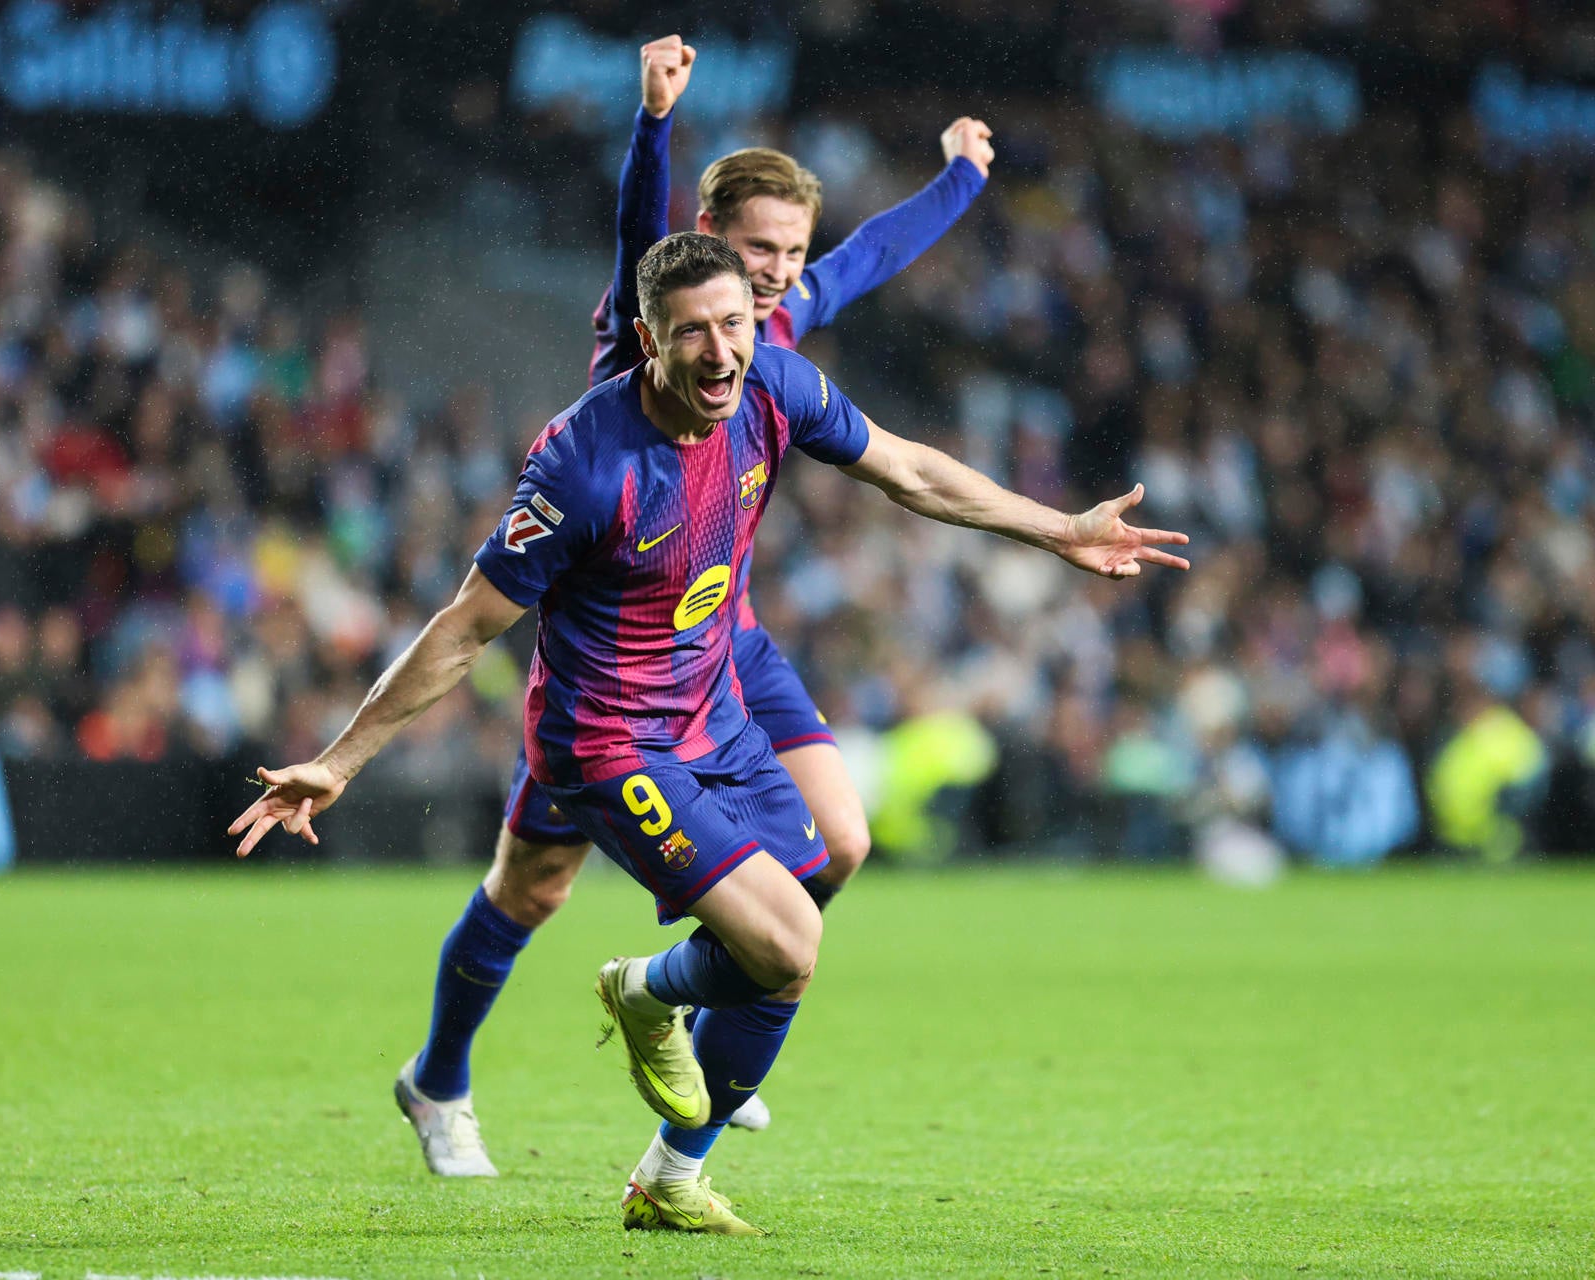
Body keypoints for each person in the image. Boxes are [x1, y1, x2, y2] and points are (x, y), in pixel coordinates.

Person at [231, 233, 1187, 1234]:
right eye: (694, 332)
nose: (723, 350)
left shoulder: (775, 385)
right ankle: (597, 1015)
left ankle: (669, 1167)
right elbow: (467, 626)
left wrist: (1060, 528)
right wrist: (340, 759)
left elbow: (910, 471)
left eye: (735, 324)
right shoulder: (580, 464)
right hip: (605, 739)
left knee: (799, 919)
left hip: (714, 713)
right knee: (762, 934)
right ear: (649, 340)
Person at [393, 33, 996, 1176]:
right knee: (532, 885)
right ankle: (440, 1078)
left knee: (840, 842)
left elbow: (871, 254)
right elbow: (638, 227)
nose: (775, 272)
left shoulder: (779, 327)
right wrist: (653, 121)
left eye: (790, 253)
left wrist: (960, 177)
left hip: (726, 649)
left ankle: (699, 1014)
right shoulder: (657, 322)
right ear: (708, 241)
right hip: (609, 668)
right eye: (758, 249)